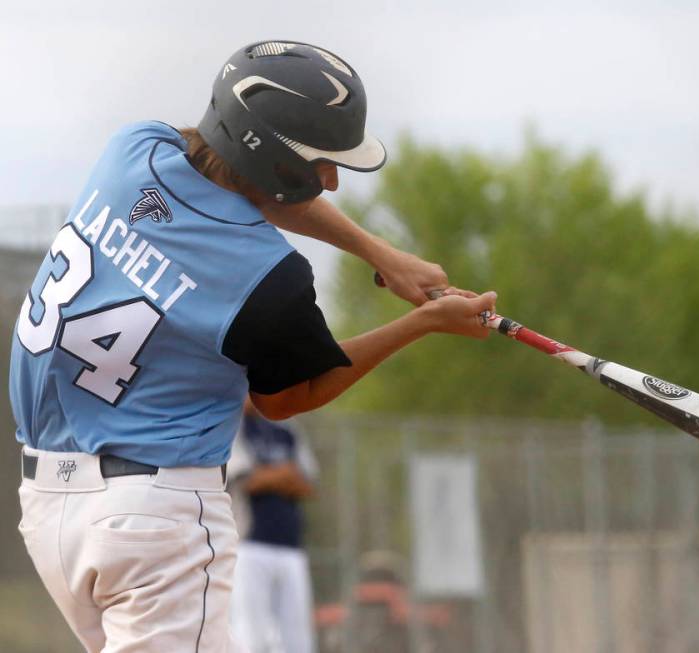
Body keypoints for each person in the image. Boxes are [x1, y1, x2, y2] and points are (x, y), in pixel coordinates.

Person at [11, 40, 496, 653]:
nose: (333, 181)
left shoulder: (131, 150)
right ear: (272, 157)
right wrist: (422, 325)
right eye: (322, 161)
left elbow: (231, 182)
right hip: (153, 518)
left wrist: (381, 253)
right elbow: (293, 395)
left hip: (49, 504)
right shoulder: (269, 277)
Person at [228, 399, 320, 653]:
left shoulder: (287, 428)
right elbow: (243, 480)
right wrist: (285, 475)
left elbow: (308, 484)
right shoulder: (233, 424)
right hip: (248, 543)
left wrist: (270, 476)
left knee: (298, 640)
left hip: (291, 545)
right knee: (251, 637)